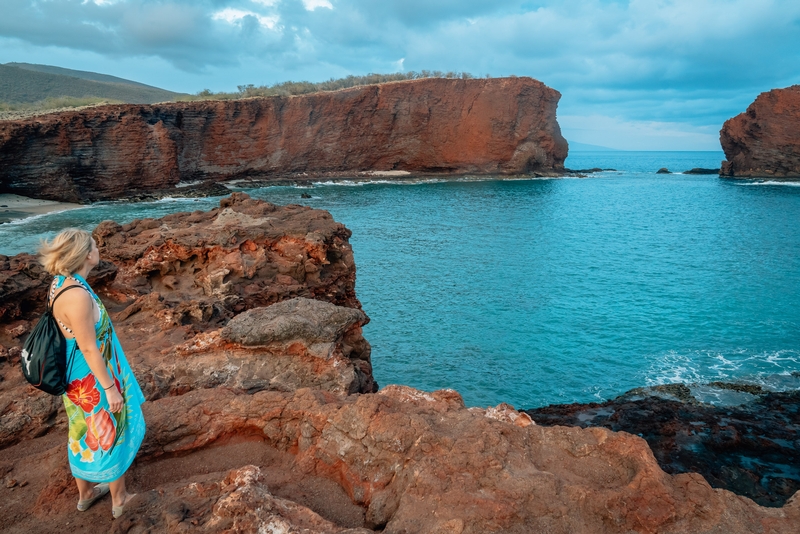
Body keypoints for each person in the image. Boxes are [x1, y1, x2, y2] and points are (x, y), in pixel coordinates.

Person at [38, 228, 146, 519]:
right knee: (109, 430)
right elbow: (88, 347)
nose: (99, 249)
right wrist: (110, 387)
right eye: (95, 245)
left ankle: (86, 494)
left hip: (78, 376)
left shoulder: (61, 283)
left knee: (82, 432)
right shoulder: (77, 296)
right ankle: (120, 498)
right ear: (86, 253)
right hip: (91, 377)